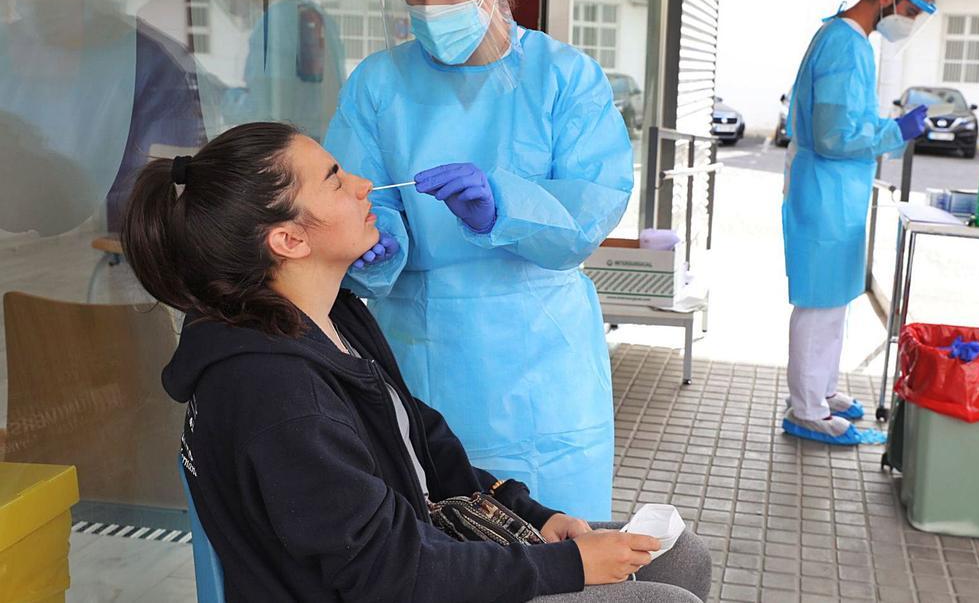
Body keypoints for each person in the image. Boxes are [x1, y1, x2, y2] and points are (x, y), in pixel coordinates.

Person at [120, 122, 709, 602]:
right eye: (333, 180)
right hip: (394, 585)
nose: (363, 183)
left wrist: (527, 513)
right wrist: (564, 567)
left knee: (682, 555)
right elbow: (389, 576)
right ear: (290, 240)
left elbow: (420, 441)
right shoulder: (275, 395)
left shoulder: (336, 316)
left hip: (418, 554)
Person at [325, 0, 633, 520]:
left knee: (559, 542)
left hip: (546, 360)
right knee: (441, 537)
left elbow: (591, 210)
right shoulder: (377, 84)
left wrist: (505, 207)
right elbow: (358, 194)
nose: (431, 10)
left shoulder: (564, 78)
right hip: (423, 351)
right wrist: (377, 244)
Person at [781, 0, 938, 445]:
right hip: (826, 189)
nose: (910, 23)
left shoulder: (850, 41)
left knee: (836, 299)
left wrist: (889, 130)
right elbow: (833, 135)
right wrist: (896, 131)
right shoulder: (844, 44)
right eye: (913, 11)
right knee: (819, 303)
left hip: (836, 191)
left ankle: (822, 392)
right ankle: (805, 409)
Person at [202, 0, 346, 141]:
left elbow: (266, 113)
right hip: (324, 142)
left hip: (294, 147)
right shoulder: (312, 12)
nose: (228, 1)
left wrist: (220, 97)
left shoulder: (274, 23)